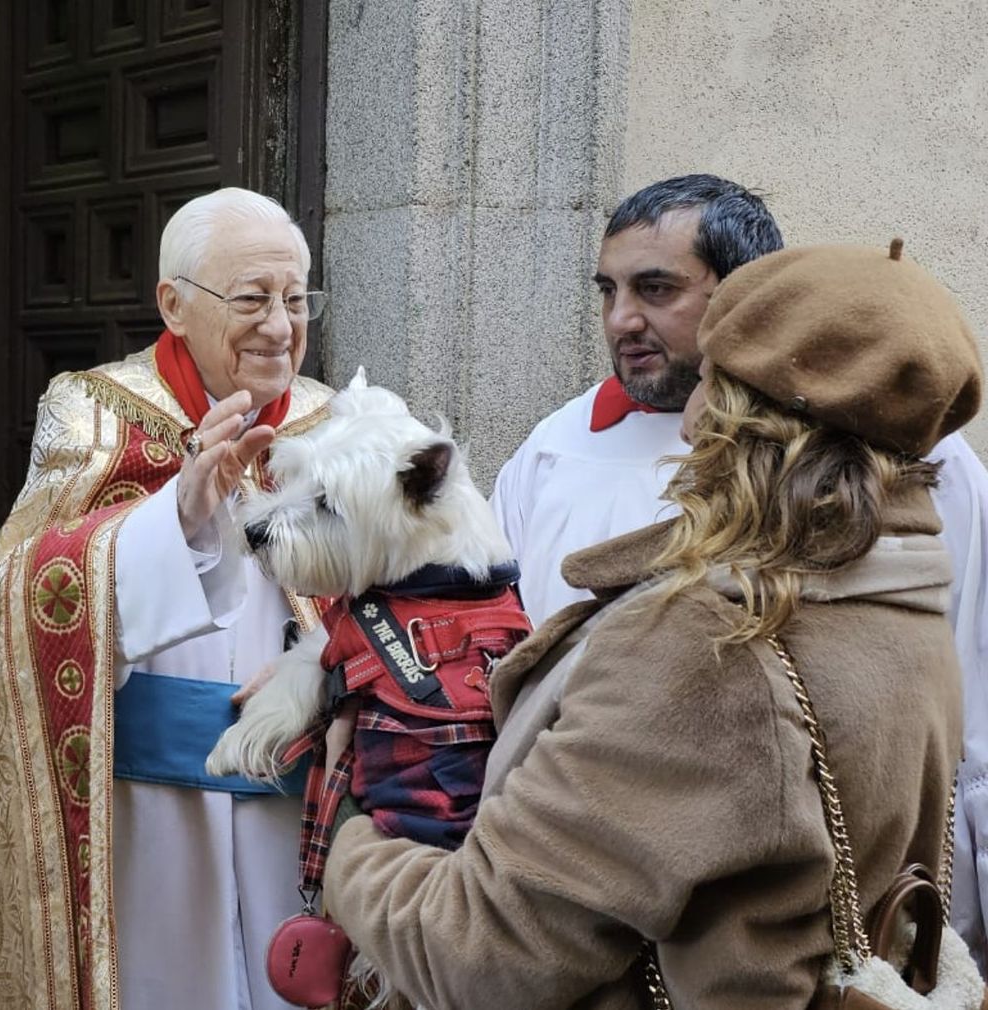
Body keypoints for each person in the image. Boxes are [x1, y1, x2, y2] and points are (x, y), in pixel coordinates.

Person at [321, 242, 982, 1007]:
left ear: (741, 415)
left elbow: (477, 952)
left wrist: (344, 830)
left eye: (707, 379)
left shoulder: (710, 644)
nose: (691, 415)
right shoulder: (903, 595)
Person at [489, 174, 988, 956]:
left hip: (841, 897)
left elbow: (968, 689)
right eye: (608, 290)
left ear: (747, 297)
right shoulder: (551, 453)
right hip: (597, 899)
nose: (623, 320)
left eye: (656, 289)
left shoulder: (897, 456)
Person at [0, 187, 333, 1009]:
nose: (280, 326)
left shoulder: (338, 422)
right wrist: (180, 513)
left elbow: (393, 597)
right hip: (141, 801)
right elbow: (20, 586)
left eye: (296, 300)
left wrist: (325, 668)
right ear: (173, 305)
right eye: (253, 300)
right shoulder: (93, 411)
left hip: (293, 785)